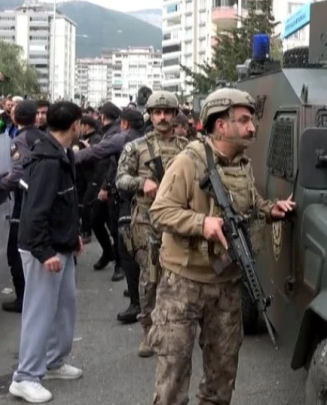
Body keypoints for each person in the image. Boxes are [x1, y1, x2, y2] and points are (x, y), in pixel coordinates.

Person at [150, 87, 295, 404]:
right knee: (173, 377)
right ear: (220, 125)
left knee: (222, 376)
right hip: (183, 284)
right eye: (243, 120)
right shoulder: (188, 163)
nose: (251, 127)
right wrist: (203, 224)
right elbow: (160, 211)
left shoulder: (241, 164)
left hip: (226, 285)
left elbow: (250, 205)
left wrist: (271, 210)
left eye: (251, 121)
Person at [9, 101, 84, 404]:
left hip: (60, 244)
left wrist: (73, 236)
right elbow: (35, 212)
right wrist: (44, 252)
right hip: (44, 248)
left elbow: (64, 202)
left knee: (64, 308)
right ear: (75, 125)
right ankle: (25, 377)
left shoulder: (59, 153)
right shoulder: (48, 160)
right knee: (39, 314)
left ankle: (52, 362)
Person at [115, 91, 187, 357]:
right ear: (151, 114)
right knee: (150, 277)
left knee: (178, 276)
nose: (163, 117)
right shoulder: (136, 147)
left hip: (178, 218)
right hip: (147, 219)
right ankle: (149, 331)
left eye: (167, 112)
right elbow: (120, 179)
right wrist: (141, 183)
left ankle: (173, 329)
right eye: (157, 112)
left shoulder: (186, 147)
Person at [0, 100, 44, 313]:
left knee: (15, 250)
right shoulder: (42, 136)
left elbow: (19, 171)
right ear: (36, 117)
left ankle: (23, 298)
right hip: (42, 197)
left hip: (26, 199)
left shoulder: (20, 140)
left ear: (15, 118)